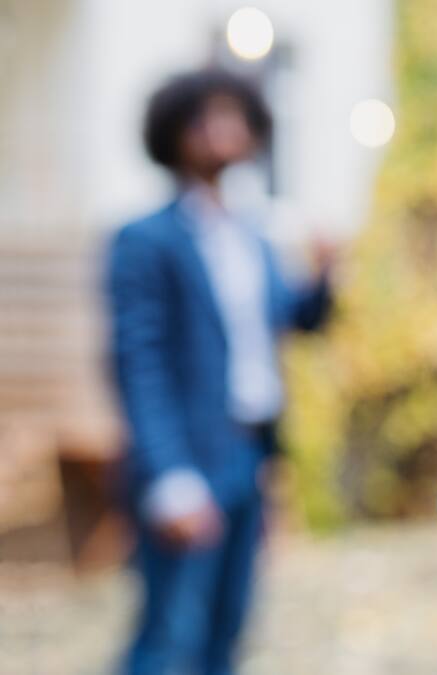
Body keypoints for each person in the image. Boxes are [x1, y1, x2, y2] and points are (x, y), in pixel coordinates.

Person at [105, 69, 333, 675]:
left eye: (235, 115)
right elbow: (138, 364)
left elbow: (293, 319)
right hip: (190, 458)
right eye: (206, 117)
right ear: (174, 131)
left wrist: (326, 278)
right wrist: (169, 477)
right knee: (167, 636)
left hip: (251, 453)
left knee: (227, 631)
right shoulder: (145, 239)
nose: (223, 130)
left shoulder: (253, 236)